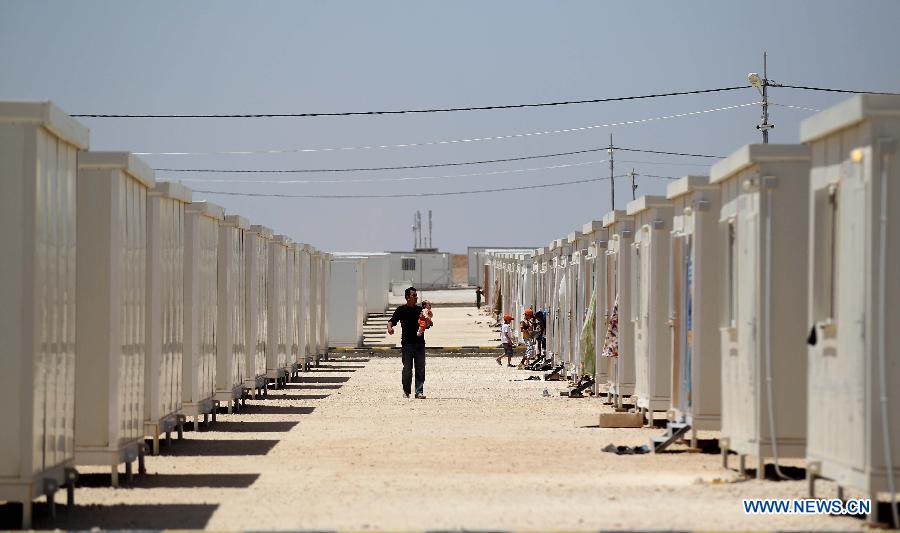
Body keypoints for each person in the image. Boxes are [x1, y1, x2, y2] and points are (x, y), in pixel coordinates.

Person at [387, 287, 429, 399]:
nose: (416, 297)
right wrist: (389, 328)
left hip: (420, 344)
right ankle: (406, 391)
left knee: (420, 368)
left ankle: (419, 391)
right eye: (414, 295)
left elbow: (428, 324)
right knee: (407, 369)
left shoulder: (420, 310)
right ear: (407, 297)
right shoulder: (401, 310)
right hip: (407, 344)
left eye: (416, 295)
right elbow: (392, 321)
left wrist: (428, 320)